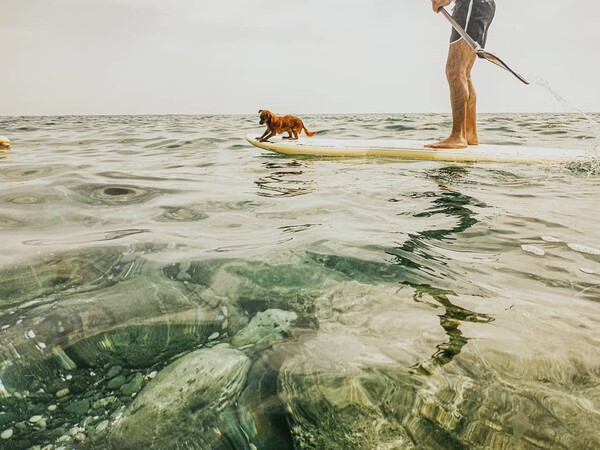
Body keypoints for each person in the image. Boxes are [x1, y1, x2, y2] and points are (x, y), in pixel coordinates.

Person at [427, 0, 496, 149]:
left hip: (471, 4)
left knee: (454, 70)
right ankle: (469, 133)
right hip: (478, 5)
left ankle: (458, 136)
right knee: (464, 72)